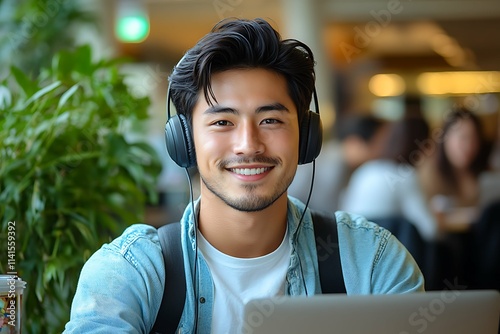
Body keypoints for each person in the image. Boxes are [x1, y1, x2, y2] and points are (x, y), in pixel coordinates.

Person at [63, 18, 424, 334]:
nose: (248, 145)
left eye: (271, 120)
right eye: (222, 122)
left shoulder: (371, 261)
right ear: (184, 141)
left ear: (306, 137)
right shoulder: (131, 273)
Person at [340, 115, 442, 242]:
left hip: (356, 252)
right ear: (422, 146)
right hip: (391, 256)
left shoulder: (365, 171)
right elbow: (431, 230)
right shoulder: (405, 175)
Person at [288, 113, 388, 213]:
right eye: (379, 144)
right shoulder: (331, 166)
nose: (382, 152)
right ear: (355, 142)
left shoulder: (344, 164)